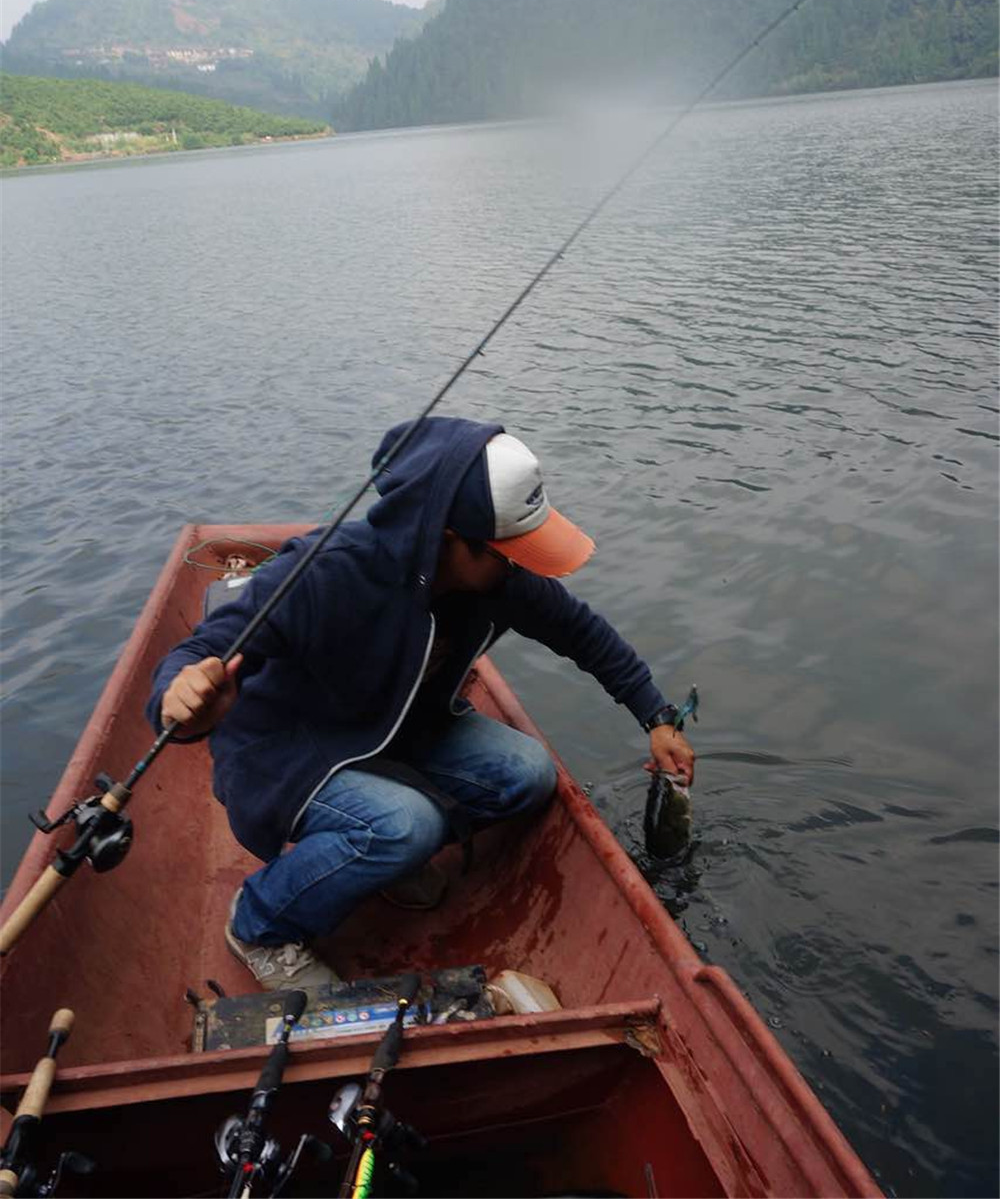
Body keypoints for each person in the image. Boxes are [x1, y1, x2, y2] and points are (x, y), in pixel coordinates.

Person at [147, 417, 695, 992]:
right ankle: (259, 923)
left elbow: (583, 632)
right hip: (285, 750)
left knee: (528, 775)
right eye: (508, 553)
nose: (520, 566)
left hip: (393, 730)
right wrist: (182, 700)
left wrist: (656, 718)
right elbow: (200, 651)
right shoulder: (327, 571)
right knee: (405, 826)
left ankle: (382, 856)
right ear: (448, 538)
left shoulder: (499, 581)